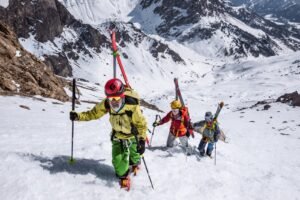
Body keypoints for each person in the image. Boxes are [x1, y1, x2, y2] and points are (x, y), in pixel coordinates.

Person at [69, 78, 147, 189]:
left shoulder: (132, 105)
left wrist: (142, 140)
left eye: (116, 98)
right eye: (110, 99)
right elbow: (93, 113)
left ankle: (135, 163)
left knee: (135, 154)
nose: (114, 102)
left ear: (122, 96)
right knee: (118, 162)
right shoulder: (107, 103)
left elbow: (141, 124)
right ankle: (123, 176)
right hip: (118, 135)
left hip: (133, 134)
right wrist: (78, 116)